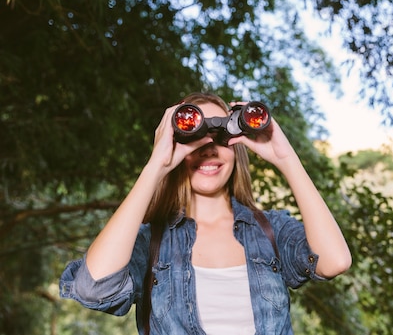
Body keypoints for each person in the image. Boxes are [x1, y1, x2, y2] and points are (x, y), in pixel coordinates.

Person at [59, 92, 352, 335]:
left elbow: (335, 261)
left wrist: (287, 160)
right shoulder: (153, 243)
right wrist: (155, 167)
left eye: (221, 136)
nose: (209, 149)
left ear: (237, 147)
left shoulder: (269, 229)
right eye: (195, 138)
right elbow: (94, 289)